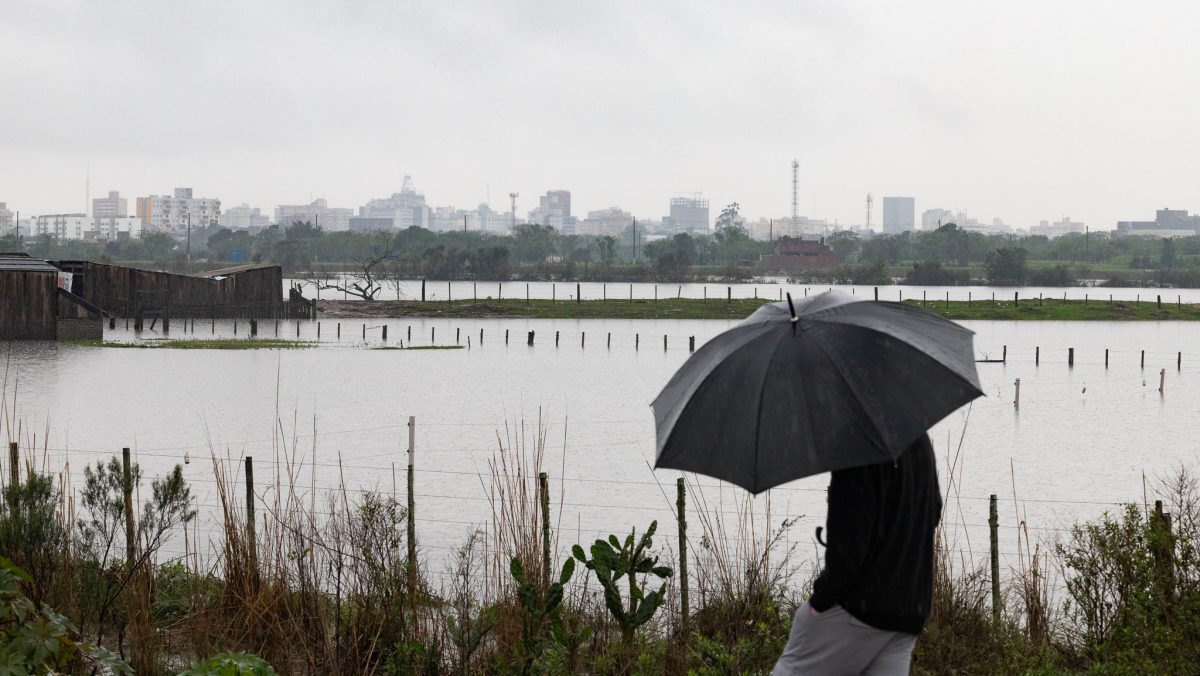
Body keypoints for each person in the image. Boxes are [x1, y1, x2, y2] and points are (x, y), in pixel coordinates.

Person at [773, 434, 942, 675]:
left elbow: (849, 545)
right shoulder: (917, 438)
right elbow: (933, 512)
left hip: (858, 609)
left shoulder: (856, 446)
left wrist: (820, 601)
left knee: (791, 669)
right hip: (907, 612)